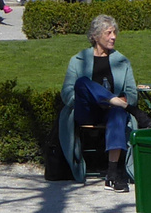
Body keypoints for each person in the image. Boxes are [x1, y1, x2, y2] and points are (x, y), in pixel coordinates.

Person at [58, 15, 137, 192]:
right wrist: (88, 98)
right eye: (108, 33)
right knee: (82, 83)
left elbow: (132, 93)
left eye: (114, 33)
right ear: (95, 36)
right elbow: (67, 92)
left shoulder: (122, 61)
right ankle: (113, 100)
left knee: (118, 113)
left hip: (111, 111)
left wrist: (121, 101)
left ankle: (112, 175)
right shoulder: (78, 60)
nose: (113, 37)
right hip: (86, 110)